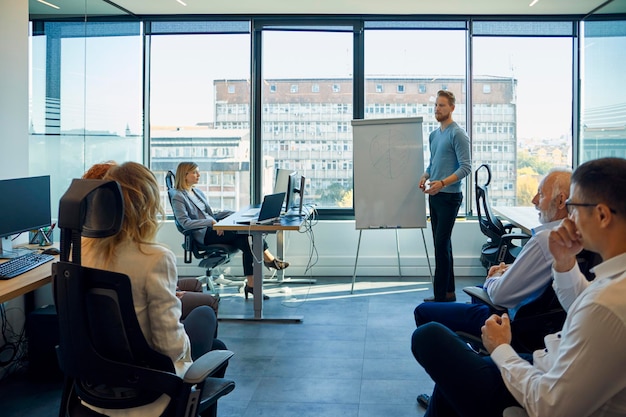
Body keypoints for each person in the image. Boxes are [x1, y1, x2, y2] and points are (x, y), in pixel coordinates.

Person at [411, 157, 626, 417]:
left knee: (428, 336)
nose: (569, 215)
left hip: (538, 385)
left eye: (574, 206)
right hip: (543, 363)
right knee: (452, 378)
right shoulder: (614, 279)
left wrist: (501, 348)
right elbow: (580, 303)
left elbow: (550, 406)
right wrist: (564, 261)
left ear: (602, 215)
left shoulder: (608, 305)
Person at [81, 162, 228, 416]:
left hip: (94, 386)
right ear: (146, 205)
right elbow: (168, 346)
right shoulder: (154, 257)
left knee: (214, 344)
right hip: (149, 387)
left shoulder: (78, 251)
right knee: (208, 326)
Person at [414, 169, 571, 338]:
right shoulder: (576, 236)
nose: (534, 200)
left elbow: (500, 295)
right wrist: (509, 269)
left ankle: (467, 362)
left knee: (423, 311)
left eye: (540, 194)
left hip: (508, 322)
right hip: (539, 321)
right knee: (478, 295)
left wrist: (493, 278)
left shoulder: (546, 240)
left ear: (561, 200)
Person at [83, 161, 219, 318]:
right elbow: (168, 340)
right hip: (147, 337)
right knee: (208, 311)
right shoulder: (154, 257)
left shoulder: (77, 249)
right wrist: (168, 297)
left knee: (195, 286)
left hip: (105, 333)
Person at [171, 161, 289, 300]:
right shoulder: (178, 196)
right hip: (204, 234)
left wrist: (233, 214)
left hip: (214, 228)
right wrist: (212, 223)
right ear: (184, 175)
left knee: (247, 239)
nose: (199, 174)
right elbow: (185, 223)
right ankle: (269, 260)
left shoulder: (197, 192)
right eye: (195, 172)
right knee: (248, 236)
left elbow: (210, 214)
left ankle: (252, 284)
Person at [419, 90, 472, 302]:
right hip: (435, 196)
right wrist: (426, 175)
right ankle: (449, 292)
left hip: (450, 197)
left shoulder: (457, 134)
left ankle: (440, 295)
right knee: (443, 244)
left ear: (452, 108)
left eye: (442, 105)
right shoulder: (434, 135)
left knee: (441, 245)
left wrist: (442, 183)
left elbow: (466, 168)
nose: (437, 109)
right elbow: (433, 165)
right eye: (436, 105)